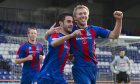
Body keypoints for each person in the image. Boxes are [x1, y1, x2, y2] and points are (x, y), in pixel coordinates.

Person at [45, 5, 123, 84]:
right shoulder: (70, 29)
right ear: (75, 18)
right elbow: (53, 37)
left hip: (93, 68)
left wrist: (119, 20)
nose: (83, 15)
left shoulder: (94, 29)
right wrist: (47, 33)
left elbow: (114, 35)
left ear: (88, 16)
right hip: (80, 68)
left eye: (85, 13)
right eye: (80, 14)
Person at [37, 13, 81, 84]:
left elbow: (70, 58)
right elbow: (53, 43)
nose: (71, 24)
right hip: (47, 76)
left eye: (72, 22)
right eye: (68, 21)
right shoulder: (55, 34)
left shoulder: (68, 41)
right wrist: (71, 35)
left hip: (59, 77)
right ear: (61, 23)